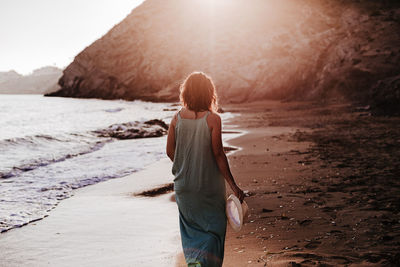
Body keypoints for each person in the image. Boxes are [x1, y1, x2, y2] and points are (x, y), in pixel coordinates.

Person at [166, 71, 245, 266]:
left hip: (184, 186)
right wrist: (233, 185)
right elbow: (218, 154)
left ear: (187, 93)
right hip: (208, 186)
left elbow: (169, 152)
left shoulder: (176, 118)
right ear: (209, 93)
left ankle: (196, 261)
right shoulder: (213, 119)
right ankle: (205, 262)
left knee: (191, 230)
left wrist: (186, 166)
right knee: (214, 228)